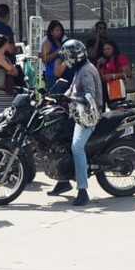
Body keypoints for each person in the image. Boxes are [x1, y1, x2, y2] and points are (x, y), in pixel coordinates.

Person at [49, 39, 102, 206]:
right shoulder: (80, 68)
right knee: (58, 139)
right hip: (77, 111)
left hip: (88, 114)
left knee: (76, 147)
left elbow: (89, 96)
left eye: (68, 57)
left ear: (74, 56)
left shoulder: (86, 71)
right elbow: (72, 89)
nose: (66, 60)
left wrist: (68, 98)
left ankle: (83, 190)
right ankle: (64, 180)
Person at [97, 38, 132, 103]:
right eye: (104, 49)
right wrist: (98, 65)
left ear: (114, 49)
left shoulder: (121, 58)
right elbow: (101, 77)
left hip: (121, 91)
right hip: (109, 92)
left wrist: (113, 76)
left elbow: (128, 74)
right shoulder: (104, 61)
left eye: (108, 49)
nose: (106, 51)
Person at [40, 20, 69, 88]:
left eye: (60, 30)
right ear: (51, 32)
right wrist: (57, 52)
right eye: (57, 30)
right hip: (51, 76)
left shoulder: (60, 42)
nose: (59, 32)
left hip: (62, 74)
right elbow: (45, 59)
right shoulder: (47, 43)